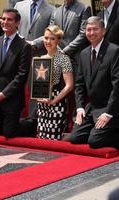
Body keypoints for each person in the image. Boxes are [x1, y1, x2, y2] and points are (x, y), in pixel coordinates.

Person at [70, 16, 119, 149]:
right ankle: (97, 130)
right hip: (91, 109)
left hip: (109, 109)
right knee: (74, 138)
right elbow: (79, 85)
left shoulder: (114, 51)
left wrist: (108, 112)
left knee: (94, 142)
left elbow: (117, 85)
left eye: (95, 29)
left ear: (103, 31)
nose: (91, 33)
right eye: (88, 29)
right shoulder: (84, 53)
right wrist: (80, 108)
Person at [0, 8, 32, 138]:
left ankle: (31, 124)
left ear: (17, 23)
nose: (5, 22)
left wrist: (4, 94)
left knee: (9, 133)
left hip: (12, 100)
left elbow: (21, 76)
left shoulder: (24, 46)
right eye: (4, 18)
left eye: (9, 19)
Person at [50, 0, 92, 132]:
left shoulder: (84, 8)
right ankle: (61, 124)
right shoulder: (55, 11)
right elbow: (52, 33)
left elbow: (83, 34)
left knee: (75, 93)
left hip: (75, 59)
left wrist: (66, 50)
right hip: (58, 58)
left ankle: (75, 126)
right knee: (59, 91)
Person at [14, 0, 55, 119]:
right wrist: (22, 42)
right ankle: (17, 118)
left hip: (40, 56)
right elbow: (14, 27)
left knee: (37, 91)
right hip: (19, 54)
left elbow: (50, 31)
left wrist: (33, 43)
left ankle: (34, 121)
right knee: (16, 87)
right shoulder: (19, 5)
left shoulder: (52, 10)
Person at [37, 25, 74, 140]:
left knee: (53, 138)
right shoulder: (41, 58)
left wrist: (54, 101)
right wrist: (38, 96)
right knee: (42, 137)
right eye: (46, 38)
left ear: (59, 40)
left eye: (52, 39)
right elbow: (38, 84)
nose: (48, 41)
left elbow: (69, 85)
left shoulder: (64, 58)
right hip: (42, 102)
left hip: (57, 102)